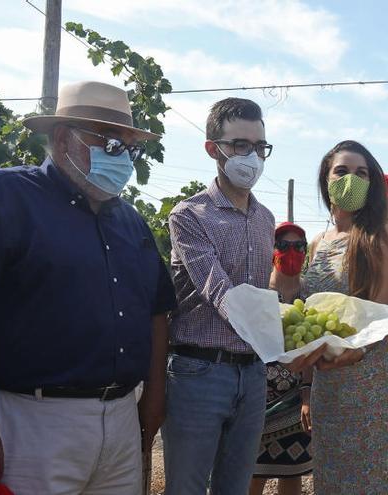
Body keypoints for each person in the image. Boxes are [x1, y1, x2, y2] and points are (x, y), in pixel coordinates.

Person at [0, 81, 176, 494]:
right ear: (61, 138)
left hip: (121, 417)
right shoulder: (0, 197)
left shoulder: (131, 223)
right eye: (108, 140)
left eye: (128, 145)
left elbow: (157, 310)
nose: (120, 155)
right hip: (30, 421)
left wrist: (153, 400)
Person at [291, 140, 388, 494]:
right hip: (331, 384)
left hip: (380, 378)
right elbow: (311, 315)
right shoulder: (319, 241)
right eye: (342, 171)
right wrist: (305, 380)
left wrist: (358, 350)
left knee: (383, 480)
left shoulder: (381, 232)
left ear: (373, 182)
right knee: (336, 478)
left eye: (361, 173)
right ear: (326, 179)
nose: (351, 179)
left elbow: (381, 312)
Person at [163, 97, 275, 494]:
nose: (253, 157)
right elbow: (217, 290)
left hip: (252, 372)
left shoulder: (266, 219)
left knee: (235, 486)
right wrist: (279, 331)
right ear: (214, 149)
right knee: (187, 485)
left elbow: (265, 291)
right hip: (199, 372)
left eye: (259, 147)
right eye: (240, 146)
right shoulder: (189, 216)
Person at [250, 221, 313, 495]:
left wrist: (307, 396)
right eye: (283, 245)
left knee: (293, 470)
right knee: (252, 473)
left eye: (299, 246)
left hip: (295, 401)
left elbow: (312, 348)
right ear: (271, 249)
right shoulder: (256, 289)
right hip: (256, 398)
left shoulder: (310, 295)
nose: (292, 251)